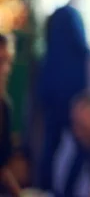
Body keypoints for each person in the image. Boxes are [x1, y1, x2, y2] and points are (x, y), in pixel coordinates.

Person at [39, 0, 90, 192]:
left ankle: (47, 188)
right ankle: (65, 191)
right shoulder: (71, 14)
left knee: (52, 142)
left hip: (52, 88)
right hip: (68, 90)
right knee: (82, 142)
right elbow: (83, 49)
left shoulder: (58, 14)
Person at [0, 33, 21, 197]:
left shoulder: (5, 107)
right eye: (0, 61)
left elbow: (2, 167)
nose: (6, 70)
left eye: (9, 62)